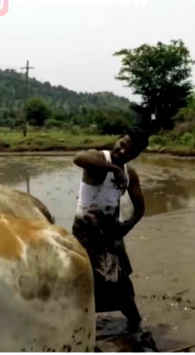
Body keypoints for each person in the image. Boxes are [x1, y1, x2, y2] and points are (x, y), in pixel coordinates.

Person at [72, 128, 149, 331]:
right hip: (84, 235)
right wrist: (113, 169)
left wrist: (128, 225)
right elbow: (78, 158)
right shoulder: (98, 159)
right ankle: (83, 325)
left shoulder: (129, 173)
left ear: (135, 155)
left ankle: (134, 327)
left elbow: (140, 207)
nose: (122, 152)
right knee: (82, 281)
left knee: (121, 285)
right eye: (122, 144)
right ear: (117, 140)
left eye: (129, 151)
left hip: (111, 237)